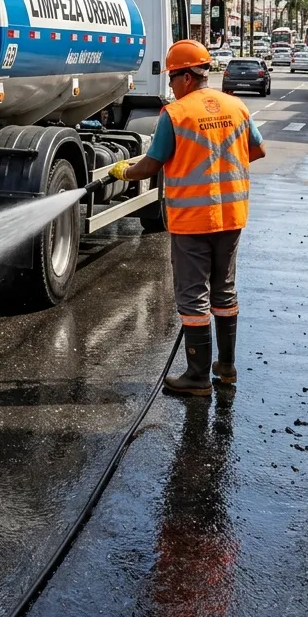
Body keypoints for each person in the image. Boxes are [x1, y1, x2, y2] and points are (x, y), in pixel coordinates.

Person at [112, 40, 266, 395]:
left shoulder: (176, 114)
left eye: (171, 78)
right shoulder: (237, 106)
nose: (169, 85)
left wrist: (124, 171)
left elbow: (151, 166)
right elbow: (257, 150)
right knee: (224, 291)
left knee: (194, 295)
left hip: (193, 219)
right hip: (231, 216)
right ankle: (226, 368)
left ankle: (197, 377)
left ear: (185, 77)